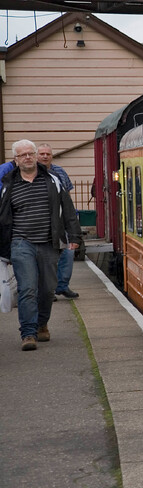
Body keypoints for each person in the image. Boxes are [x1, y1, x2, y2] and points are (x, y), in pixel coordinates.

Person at [0, 139, 82, 351]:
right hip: (21, 243)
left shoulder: (53, 180)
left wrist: (74, 236)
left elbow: (69, 210)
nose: (27, 157)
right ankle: (28, 333)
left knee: (47, 290)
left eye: (30, 153)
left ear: (36, 156)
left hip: (49, 243)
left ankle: (41, 323)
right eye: (22, 155)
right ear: (16, 160)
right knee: (28, 288)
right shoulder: (8, 184)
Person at [37, 143, 79, 299]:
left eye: (48, 153)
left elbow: (67, 196)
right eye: (42, 153)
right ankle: (48, 289)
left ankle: (62, 286)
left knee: (68, 253)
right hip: (41, 222)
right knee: (46, 258)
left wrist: (71, 221)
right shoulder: (31, 173)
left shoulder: (60, 172)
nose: (45, 156)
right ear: (37, 156)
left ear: (51, 155)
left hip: (61, 221)